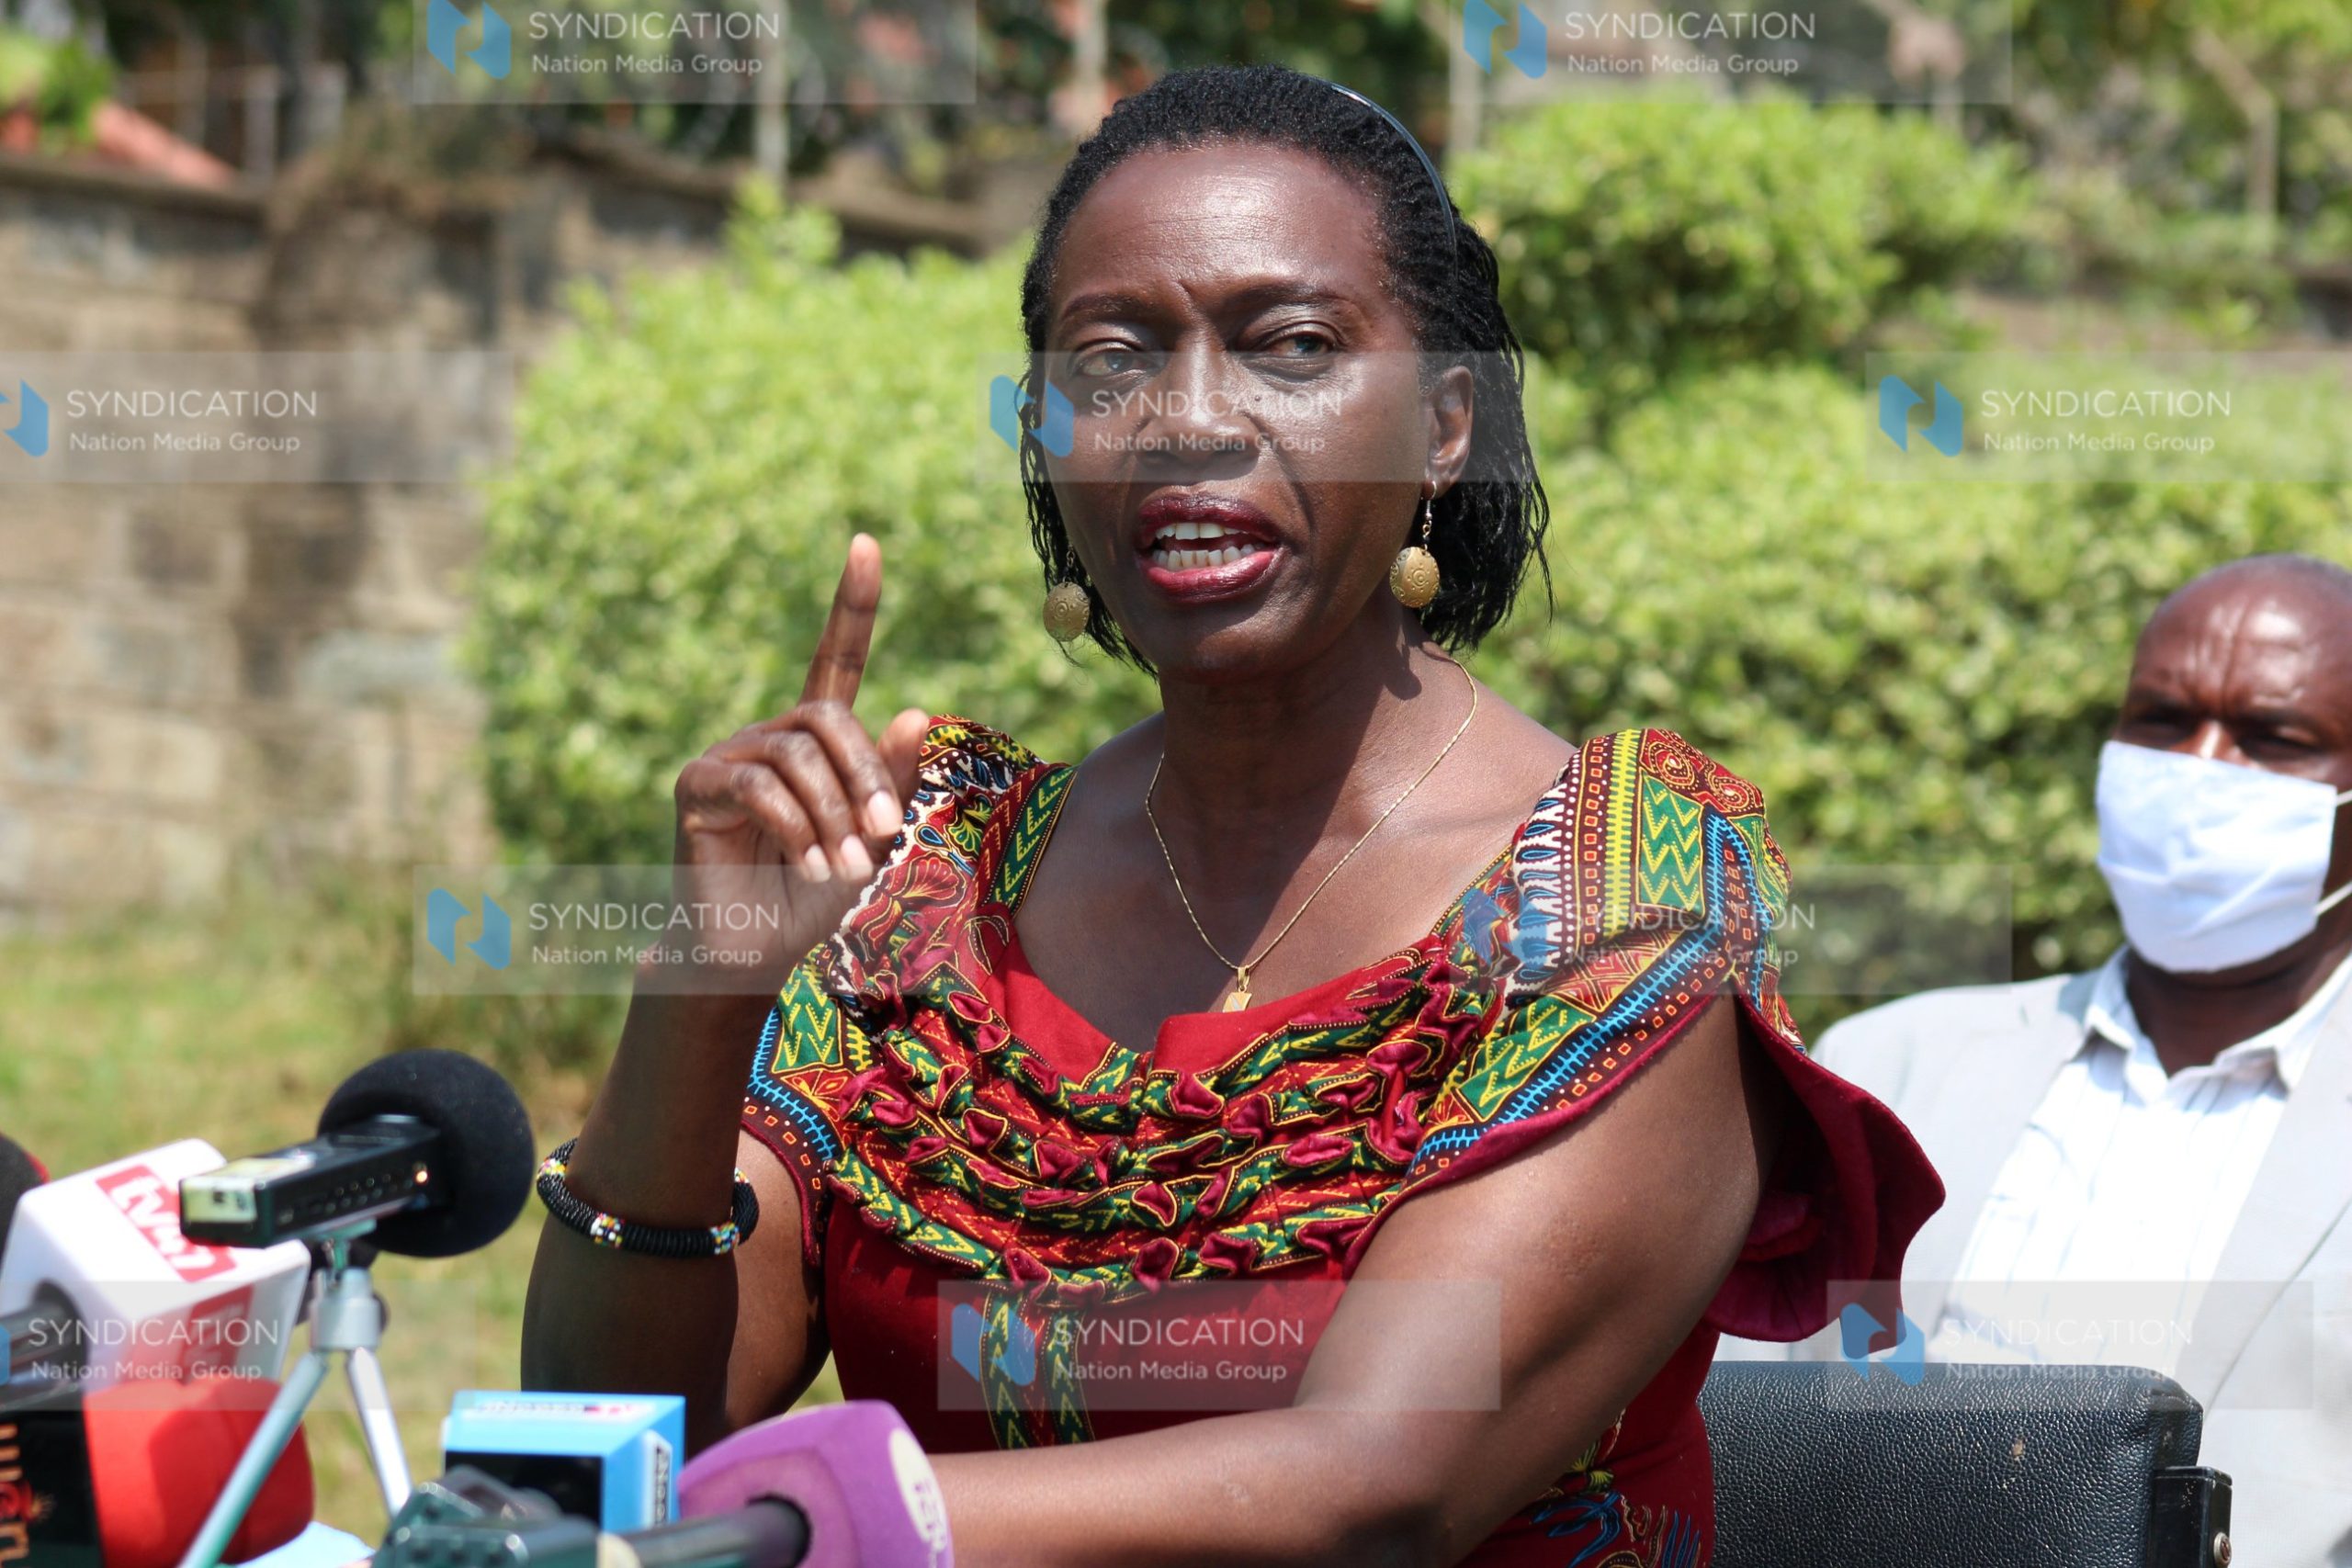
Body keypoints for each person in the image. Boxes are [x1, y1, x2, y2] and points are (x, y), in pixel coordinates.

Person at [522, 66, 1941, 1568]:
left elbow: (1375, 1481)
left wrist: (813, 1527)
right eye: (1112, 356)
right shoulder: (918, 883)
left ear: (1448, 421)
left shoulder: (1620, 899)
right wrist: (704, 990)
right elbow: (624, 1429)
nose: (1189, 422)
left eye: (1293, 347)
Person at [1723, 554, 2352, 1566]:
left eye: (2272, 739)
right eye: (2160, 720)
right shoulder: (1891, 1064)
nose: (2199, 769)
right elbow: (1744, 1423)